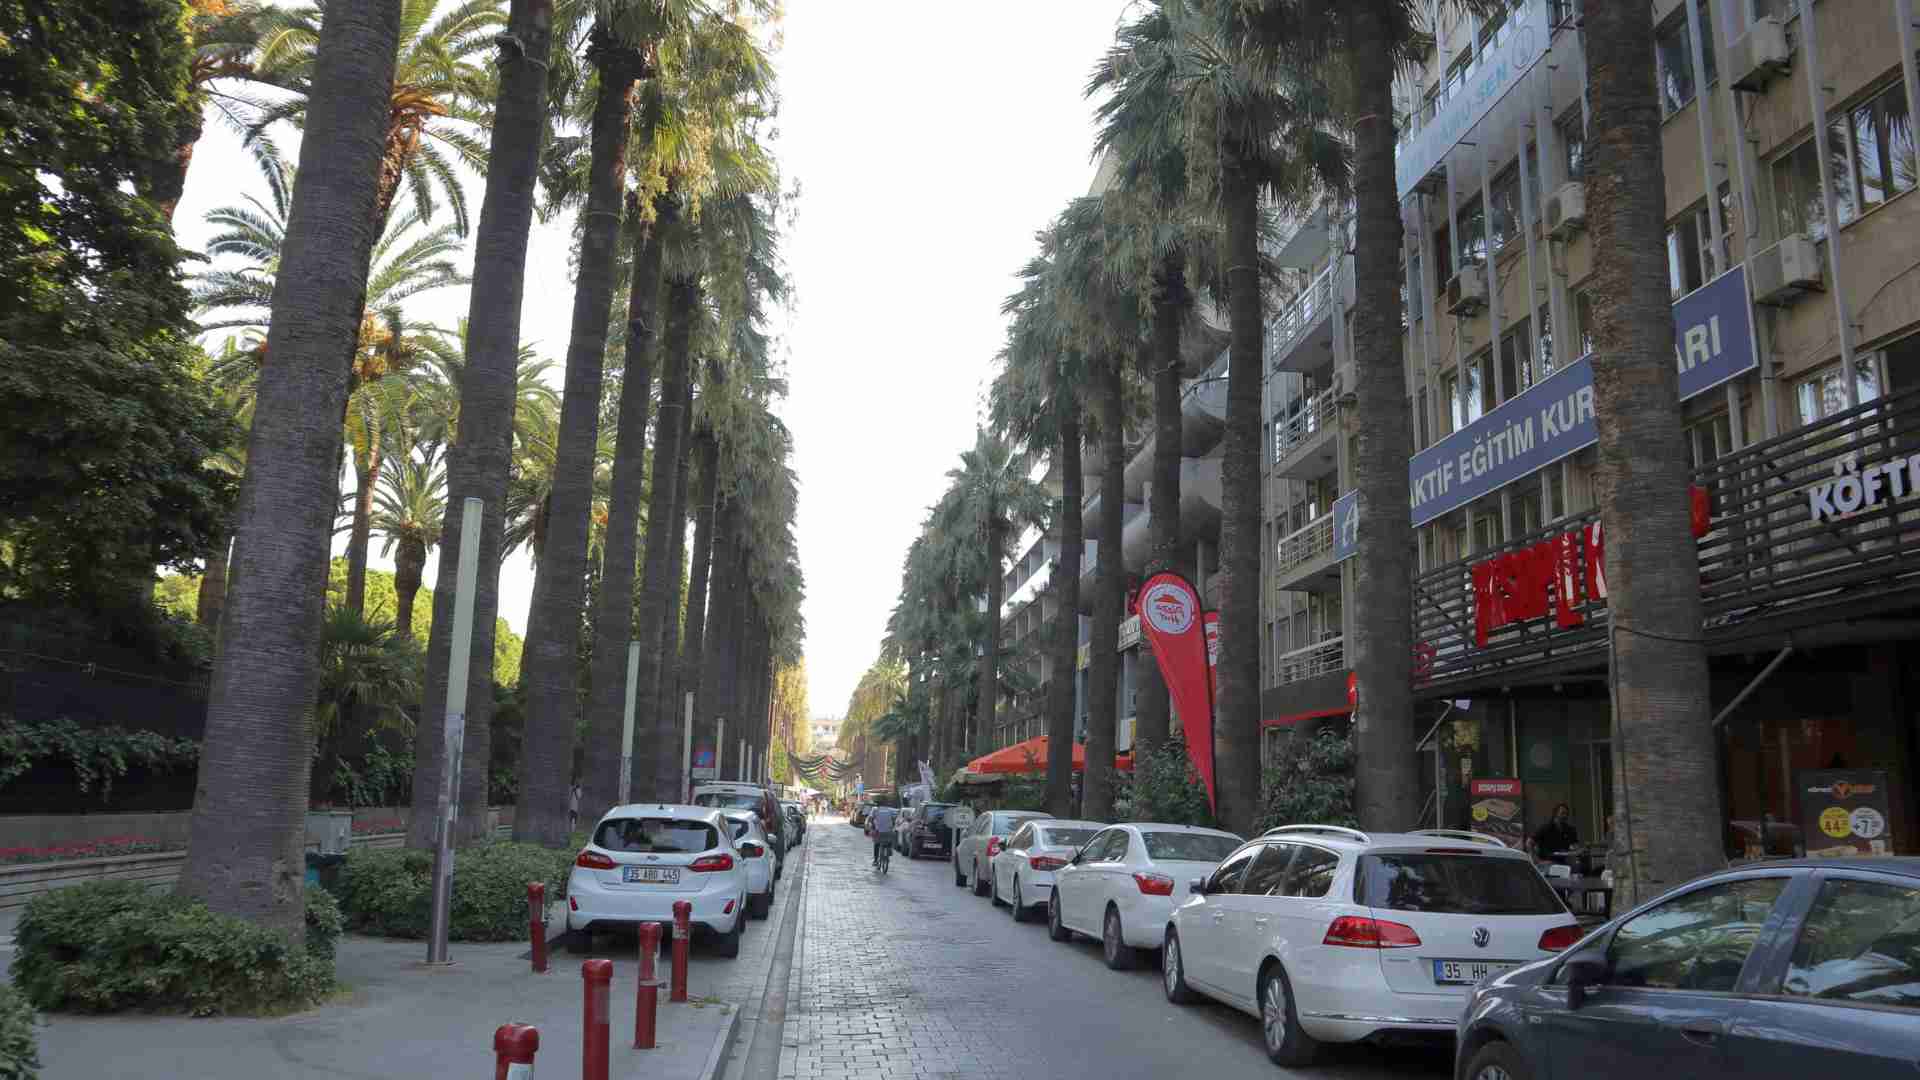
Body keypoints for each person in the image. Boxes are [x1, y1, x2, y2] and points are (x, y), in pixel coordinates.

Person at [866, 802, 899, 866]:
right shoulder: (890, 810)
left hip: (878, 831)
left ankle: (875, 860)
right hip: (888, 831)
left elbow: (870, 819)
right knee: (890, 840)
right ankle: (889, 851)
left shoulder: (875, 809)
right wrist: (892, 825)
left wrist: (873, 826)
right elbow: (895, 818)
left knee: (876, 844)